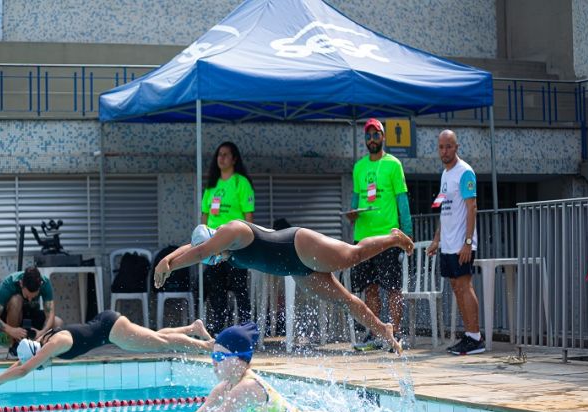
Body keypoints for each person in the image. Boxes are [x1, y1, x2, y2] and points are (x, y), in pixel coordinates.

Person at [137, 323, 478, 412]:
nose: (211, 364)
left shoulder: (245, 389)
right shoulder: (224, 386)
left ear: (237, 360)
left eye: (217, 358)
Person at [154, 220, 415, 353]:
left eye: (214, 254)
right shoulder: (223, 250)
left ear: (214, 239)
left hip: (298, 244)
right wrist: (166, 260)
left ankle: (393, 238)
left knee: (352, 256)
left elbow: (199, 252)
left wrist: (170, 266)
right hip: (295, 268)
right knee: (343, 300)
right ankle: (384, 331)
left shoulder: (231, 230)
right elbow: (194, 249)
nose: (216, 259)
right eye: (214, 259)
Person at [0, 313, 213, 396]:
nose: (42, 366)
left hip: (110, 329)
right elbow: (23, 364)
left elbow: (23, 369)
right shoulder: (41, 342)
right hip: (107, 325)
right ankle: (193, 329)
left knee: (160, 342)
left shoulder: (54, 345)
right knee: (152, 337)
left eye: (39, 364)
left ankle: (208, 347)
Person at [344, 118, 413, 350]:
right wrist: (352, 215)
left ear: (383, 137)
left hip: (387, 238)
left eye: (376, 135)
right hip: (363, 237)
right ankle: (374, 334)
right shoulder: (359, 167)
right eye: (368, 135)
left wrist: (406, 235)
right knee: (369, 287)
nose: (371, 139)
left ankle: (397, 333)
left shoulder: (393, 165)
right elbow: (354, 202)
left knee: (392, 287)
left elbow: (402, 201)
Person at [427, 130, 485, 355]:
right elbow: (445, 211)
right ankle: (469, 335)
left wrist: (468, 242)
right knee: (456, 287)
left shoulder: (465, 172)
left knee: (464, 285)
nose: (445, 151)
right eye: (441, 147)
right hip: (448, 244)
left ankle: (475, 337)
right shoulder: (445, 174)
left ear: (457, 147)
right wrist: (436, 239)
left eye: (449, 146)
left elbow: (472, 207)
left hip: (462, 243)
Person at [200, 142, 255, 335]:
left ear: (234, 159)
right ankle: (219, 332)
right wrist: (204, 242)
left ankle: (247, 331)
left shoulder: (241, 183)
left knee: (239, 289)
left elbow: (249, 217)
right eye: (219, 155)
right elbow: (205, 216)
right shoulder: (212, 186)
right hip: (215, 245)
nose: (221, 158)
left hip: (236, 244)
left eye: (225, 155)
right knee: (216, 290)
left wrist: (247, 243)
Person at [0, 266, 63, 358]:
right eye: (27, 296)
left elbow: (50, 315)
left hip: (32, 315)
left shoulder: (45, 283)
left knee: (58, 322)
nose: (30, 300)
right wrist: (11, 331)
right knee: (16, 300)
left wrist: (42, 332)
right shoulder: (10, 282)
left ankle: (41, 348)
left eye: (33, 297)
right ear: (21, 283)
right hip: (14, 319)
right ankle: (14, 346)